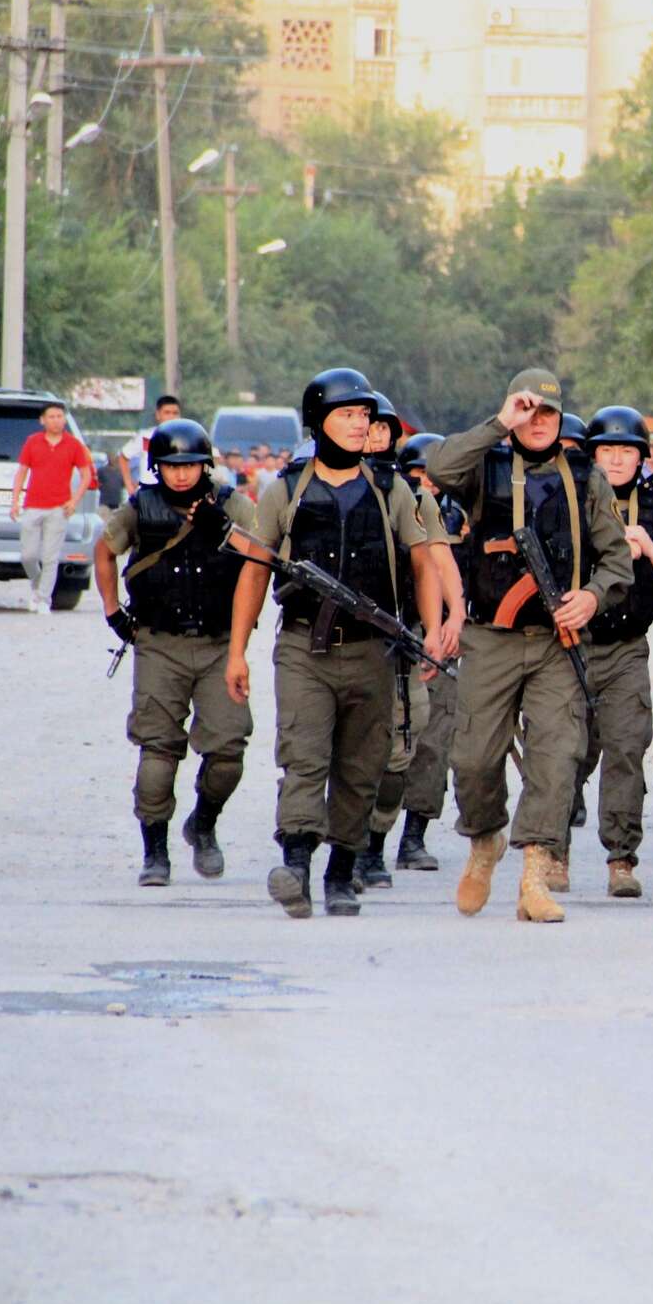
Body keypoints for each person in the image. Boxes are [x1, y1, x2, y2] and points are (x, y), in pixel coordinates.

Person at [225, 367, 446, 919]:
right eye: (346, 415)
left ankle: (342, 870)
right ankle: (295, 863)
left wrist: (435, 628)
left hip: (374, 648)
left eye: (364, 416)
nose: (358, 425)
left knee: (361, 764)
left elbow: (423, 561)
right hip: (305, 648)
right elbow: (254, 571)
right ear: (318, 422)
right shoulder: (285, 491)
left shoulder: (390, 490)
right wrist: (236, 651)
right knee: (304, 755)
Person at [427, 368, 633, 924]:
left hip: (556, 642)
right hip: (490, 638)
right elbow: (438, 468)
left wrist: (591, 597)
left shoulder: (586, 477)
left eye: (548, 413)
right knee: (472, 759)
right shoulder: (484, 466)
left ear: (562, 418)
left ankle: (534, 877)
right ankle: (484, 841)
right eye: (528, 411)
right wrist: (500, 422)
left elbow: (617, 562)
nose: (538, 423)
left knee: (556, 757)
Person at [93, 418, 257, 887]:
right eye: (170, 466)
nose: (181, 475)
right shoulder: (140, 508)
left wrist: (220, 528)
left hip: (219, 643)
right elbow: (103, 551)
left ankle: (203, 824)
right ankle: (155, 851)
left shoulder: (233, 505)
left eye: (189, 465)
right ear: (157, 468)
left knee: (227, 750)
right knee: (156, 754)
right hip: (159, 644)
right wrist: (111, 612)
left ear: (206, 465)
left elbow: (262, 556)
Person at [577, 404, 653, 898]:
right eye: (607, 450)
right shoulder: (571, 504)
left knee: (626, 749)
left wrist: (648, 546)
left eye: (627, 451)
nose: (617, 460)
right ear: (592, 456)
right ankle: (550, 849)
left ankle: (621, 858)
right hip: (572, 646)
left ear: (642, 457)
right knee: (566, 753)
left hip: (626, 648)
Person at [355, 390, 460, 890]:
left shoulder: (412, 499)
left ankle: (375, 843)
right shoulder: (317, 488)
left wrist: (446, 622)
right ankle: (342, 844)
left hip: (402, 640)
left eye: (383, 429)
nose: (373, 436)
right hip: (340, 640)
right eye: (365, 425)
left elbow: (437, 561)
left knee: (407, 747)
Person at [390, 431, 465, 871]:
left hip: (447, 640)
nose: (427, 486)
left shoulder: (468, 516)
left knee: (435, 741)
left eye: (434, 479)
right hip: (397, 632)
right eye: (417, 476)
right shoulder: (396, 510)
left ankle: (414, 834)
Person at [10, 401, 92, 614]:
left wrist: (74, 501)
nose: (56, 420)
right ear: (42, 420)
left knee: (50, 557)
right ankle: (38, 587)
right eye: (52, 416)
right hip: (33, 506)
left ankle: (43, 599)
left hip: (59, 507)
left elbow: (86, 476)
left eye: (60, 416)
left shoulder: (73, 445)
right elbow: (22, 472)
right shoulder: (32, 442)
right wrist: (15, 501)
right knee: (28, 556)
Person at [115, 395, 182, 495]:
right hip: (149, 495)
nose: (171, 417)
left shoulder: (186, 439)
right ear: (158, 415)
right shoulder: (146, 436)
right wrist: (129, 486)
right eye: (167, 413)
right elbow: (123, 456)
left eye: (175, 413)